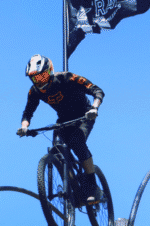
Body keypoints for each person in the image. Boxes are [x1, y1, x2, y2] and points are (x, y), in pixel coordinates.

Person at [17, 54, 104, 204]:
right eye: (35, 79)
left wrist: (94, 109)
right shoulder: (35, 92)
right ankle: (72, 185)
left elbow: (97, 90)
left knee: (77, 142)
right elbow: (27, 112)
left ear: (50, 71)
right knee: (57, 150)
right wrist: (24, 127)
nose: (39, 82)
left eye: (42, 77)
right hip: (63, 120)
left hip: (84, 115)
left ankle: (92, 185)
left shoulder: (66, 78)